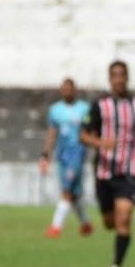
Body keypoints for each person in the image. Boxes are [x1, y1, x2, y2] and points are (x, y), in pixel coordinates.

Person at [80, 60, 135, 267]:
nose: (119, 79)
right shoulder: (99, 105)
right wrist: (102, 143)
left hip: (129, 170)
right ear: (110, 78)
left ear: (127, 77)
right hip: (104, 171)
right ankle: (111, 225)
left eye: (122, 74)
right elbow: (84, 135)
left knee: (124, 218)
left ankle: (116, 266)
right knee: (109, 222)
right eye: (115, 75)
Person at [39, 77, 93, 238]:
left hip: (77, 153)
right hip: (61, 155)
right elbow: (52, 132)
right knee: (73, 193)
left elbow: (90, 129)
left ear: (75, 90)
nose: (67, 91)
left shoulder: (84, 109)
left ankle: (56, 227)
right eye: (64, 89)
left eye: (70, 89)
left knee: (66, 190)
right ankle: (86, 224)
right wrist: (46, 153)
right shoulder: (55, 110)